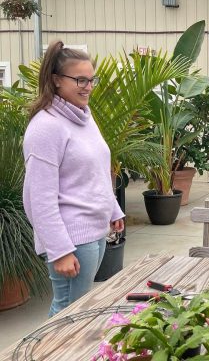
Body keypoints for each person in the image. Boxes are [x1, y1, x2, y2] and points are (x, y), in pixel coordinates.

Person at [23, 40, 125, 316]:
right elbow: (38, 199)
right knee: (68, 313)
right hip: (72, 240)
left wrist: (113, 208)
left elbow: (97, 169)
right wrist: (59, 251)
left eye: (92, 79)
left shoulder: (83, 117)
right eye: (80, 79)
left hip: (96, 232)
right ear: (56, 80)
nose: (88, 86)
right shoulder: (46, 127)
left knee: (77, 311)